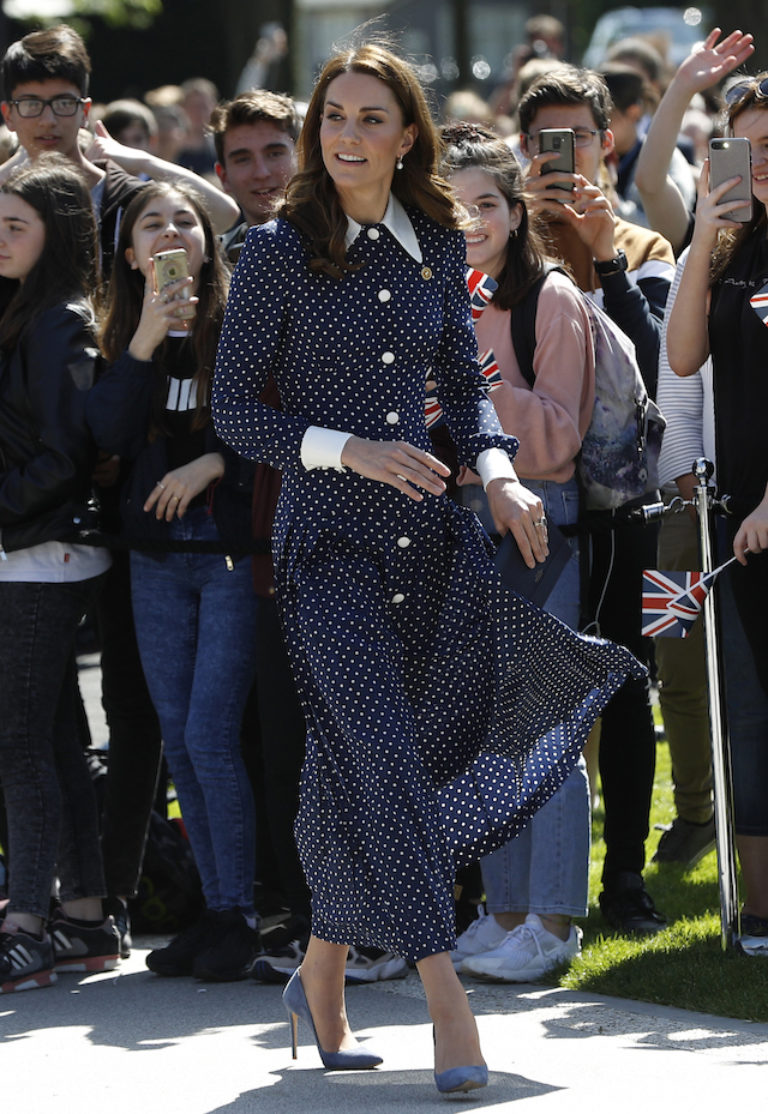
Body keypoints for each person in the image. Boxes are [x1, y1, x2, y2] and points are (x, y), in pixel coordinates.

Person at [212, 40, 640, 1092]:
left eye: (370, 118)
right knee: (389, 768)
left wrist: (494, 471)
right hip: (329, 555)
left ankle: (321, 970)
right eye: (334, 116)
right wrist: (345, 447)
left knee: (357, 767)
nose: (346, 135)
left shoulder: (439, 242)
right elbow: (236, 411)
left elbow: (469, 382)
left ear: (410, 137)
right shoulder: (273, 251)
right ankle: (448, 1003)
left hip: (438, 551)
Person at [86, 182, 261, 981]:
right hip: (156, 561)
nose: (170, 232)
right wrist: (149, 338)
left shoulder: (242, 317)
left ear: (209, 239)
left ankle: (242, 913)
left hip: (225, 555)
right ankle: (213, 906)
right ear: (128, 253)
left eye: (185, 220)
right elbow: (108, 434)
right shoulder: (126, 331)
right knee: (176, 743)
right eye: (151, 223)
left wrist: (215, 458)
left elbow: (277, 421)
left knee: (210, 737)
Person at [519, 65, 675, 934]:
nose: (565, 153)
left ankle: (624, 884)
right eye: (546, 139)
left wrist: (605, 255)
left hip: (617, 514)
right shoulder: (496, 242)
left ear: (606, 142)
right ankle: (517, 893)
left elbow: (660, 371)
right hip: (524, 503)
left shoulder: (644, 247)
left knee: (622, 692)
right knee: (518, 700)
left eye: (578, 135)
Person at [440, 122, 595, 981]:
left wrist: (480, 391)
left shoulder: (552, 299)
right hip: (460, 518)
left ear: (512, 210)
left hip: (540, 514)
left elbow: (561, 434)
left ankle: (555, 919)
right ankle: (505, 916)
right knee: (482, 732)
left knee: (544, 728)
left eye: (485, 205)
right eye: (454, 207)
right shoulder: (437, 298)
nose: (470, 221)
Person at [0, 157, 120, 993]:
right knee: (54, 739)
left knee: (20, 741)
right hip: (27, 547)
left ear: (56, 236)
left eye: (15, 225)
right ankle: (83, 916)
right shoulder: (22, 312)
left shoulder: (59, 320)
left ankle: (28, 923)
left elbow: (65, 451)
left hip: (45, 553)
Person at [667, 69, 768, 955]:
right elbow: (684, 349)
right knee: (753, 712)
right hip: (739, 524)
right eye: (750, 145)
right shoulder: (735, 245)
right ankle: (762, 913)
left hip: (767, 512)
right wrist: (705, 230)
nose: (763, 161)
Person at [634, 28, 755, 254]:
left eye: (767, 144)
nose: (757, 160)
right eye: (745, 148)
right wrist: (682, 87)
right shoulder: (712, 229)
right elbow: (649, 184)